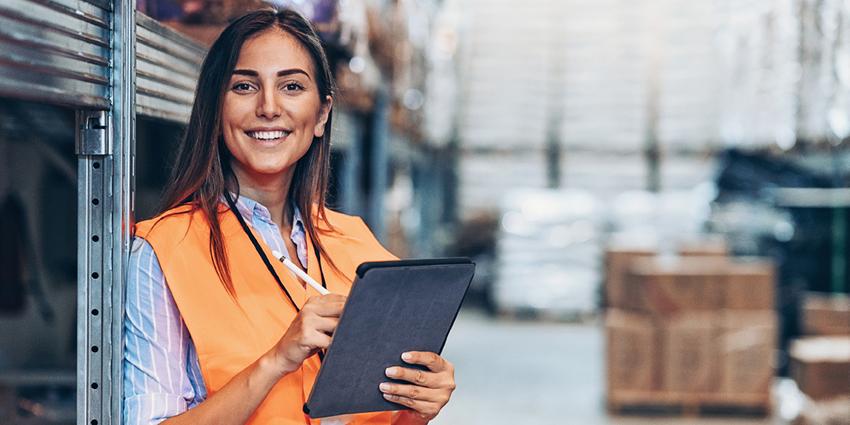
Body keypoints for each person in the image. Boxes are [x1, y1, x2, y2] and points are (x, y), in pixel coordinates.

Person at [123, 9, 456, 425]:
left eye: (292, 86)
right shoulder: (164, 252)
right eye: (244, 86)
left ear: (320, 115)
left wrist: (417, 408)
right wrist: (277, 359)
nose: (268, 107)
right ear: (214, 109)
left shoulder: (358, 247)